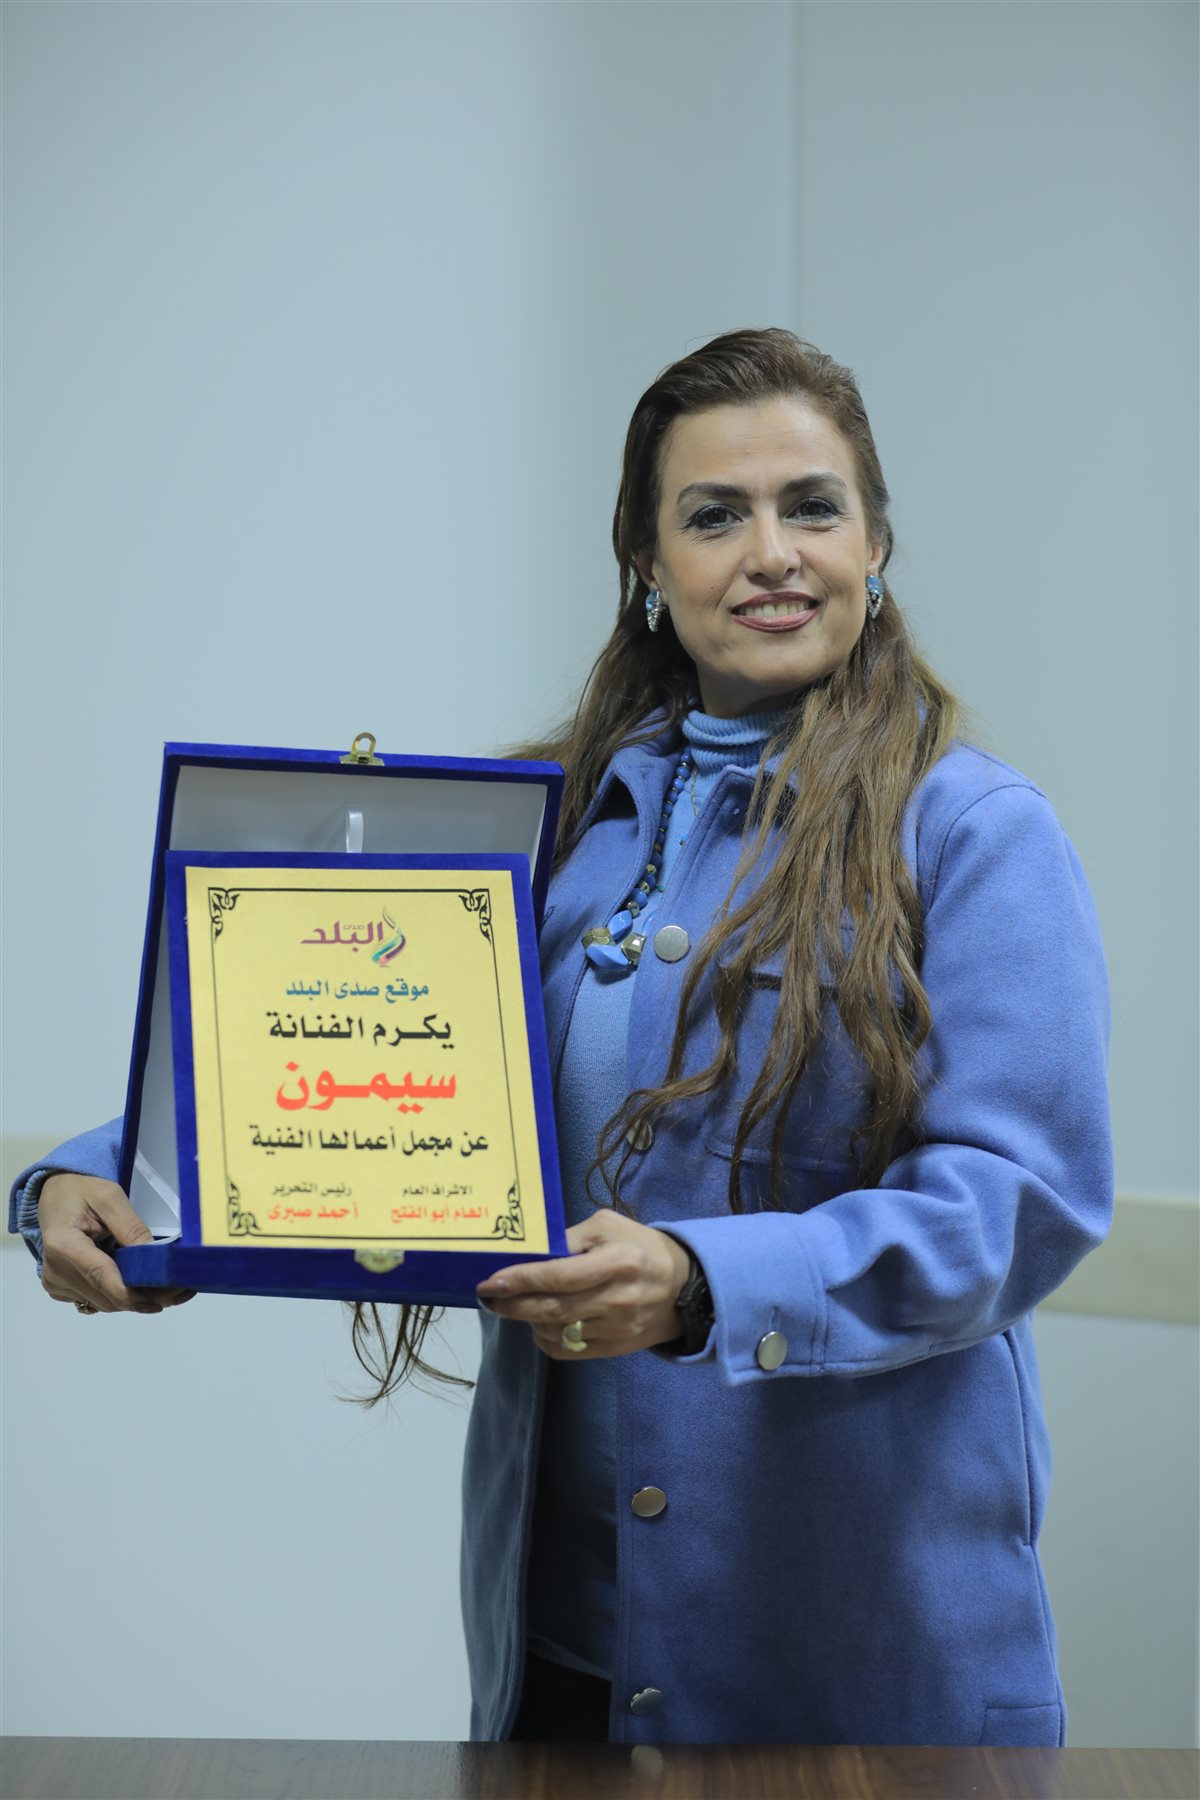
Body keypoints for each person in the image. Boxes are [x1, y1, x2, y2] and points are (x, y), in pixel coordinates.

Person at [9, 328, 1113, 1750]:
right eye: (713, 516)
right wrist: (99, 1175)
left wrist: (704, 1282)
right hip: (562, 1658)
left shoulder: (976, 833)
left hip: (857, 1669)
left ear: (876, 541)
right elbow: (348, 1045)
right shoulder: (545, 818)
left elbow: (1019, 1203)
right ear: (646, 563)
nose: (772, 553)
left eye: (812, 506)